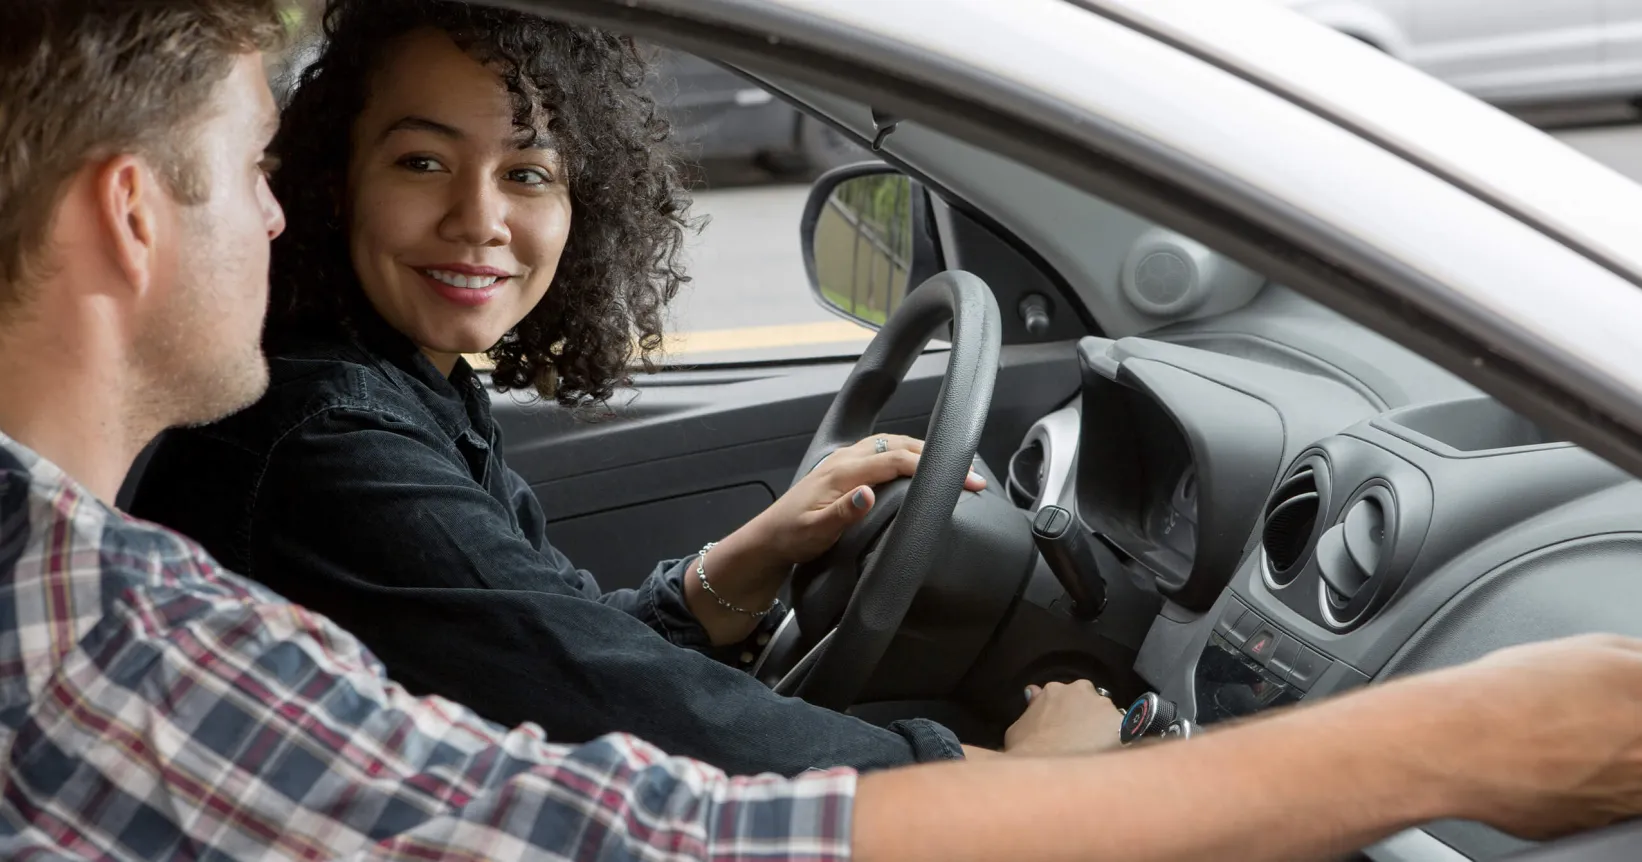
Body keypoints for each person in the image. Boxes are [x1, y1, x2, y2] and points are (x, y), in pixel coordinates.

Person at [6, 1, 1642, 859]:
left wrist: (722, 578)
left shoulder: (364, 422)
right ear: (137, 216)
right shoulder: (231, 524)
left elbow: (509, 686)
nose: (282, 221)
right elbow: (634, 813)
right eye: (405, 160)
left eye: (531, 168)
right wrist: (1040, 779)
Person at [126, 0, 1110, 776]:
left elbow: (534, 651)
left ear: (577, 208)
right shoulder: (324, 438)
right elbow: (622, 710)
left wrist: (742, 560)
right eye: (423, 161)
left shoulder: (401, 384)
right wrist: (1010, 781)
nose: (479, 218)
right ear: (335, 184)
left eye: (527, 173)